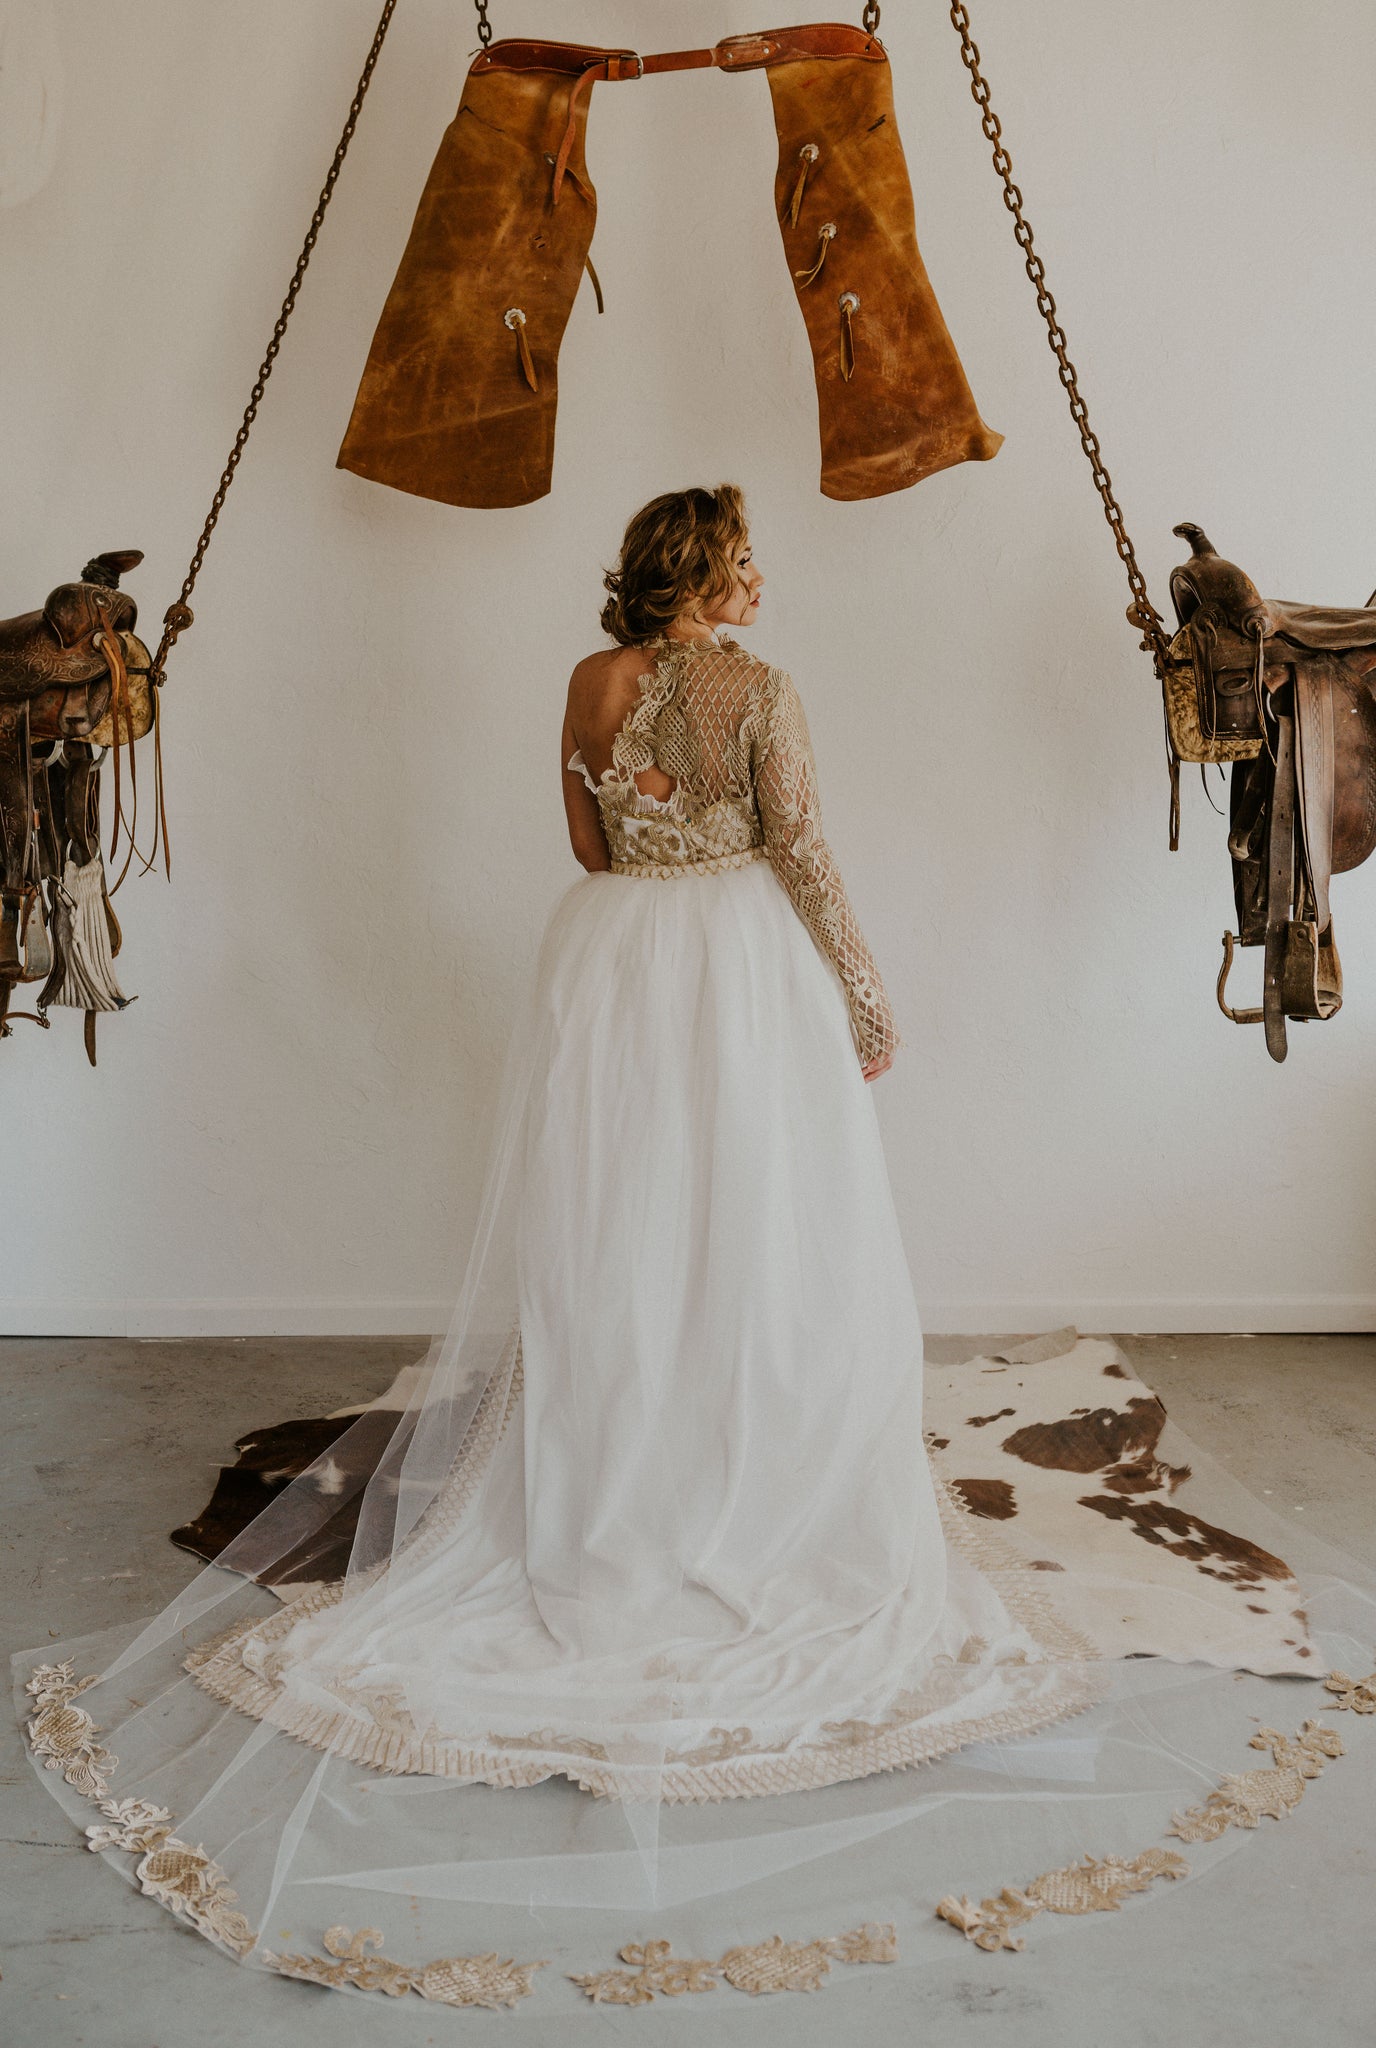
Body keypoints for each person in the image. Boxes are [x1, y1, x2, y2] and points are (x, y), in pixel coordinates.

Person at [19, 486, 1365, 2007]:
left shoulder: (588, 682)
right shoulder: (764, 689)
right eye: (747, 558)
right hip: (737, 967)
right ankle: (751, 1466)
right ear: (709, 573)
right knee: (764, 1232)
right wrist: (865, 995)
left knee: (617, 1238)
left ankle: (623, 1463)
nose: (762, 578)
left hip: (608, 959)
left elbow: (589, 844)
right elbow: (803, 850)